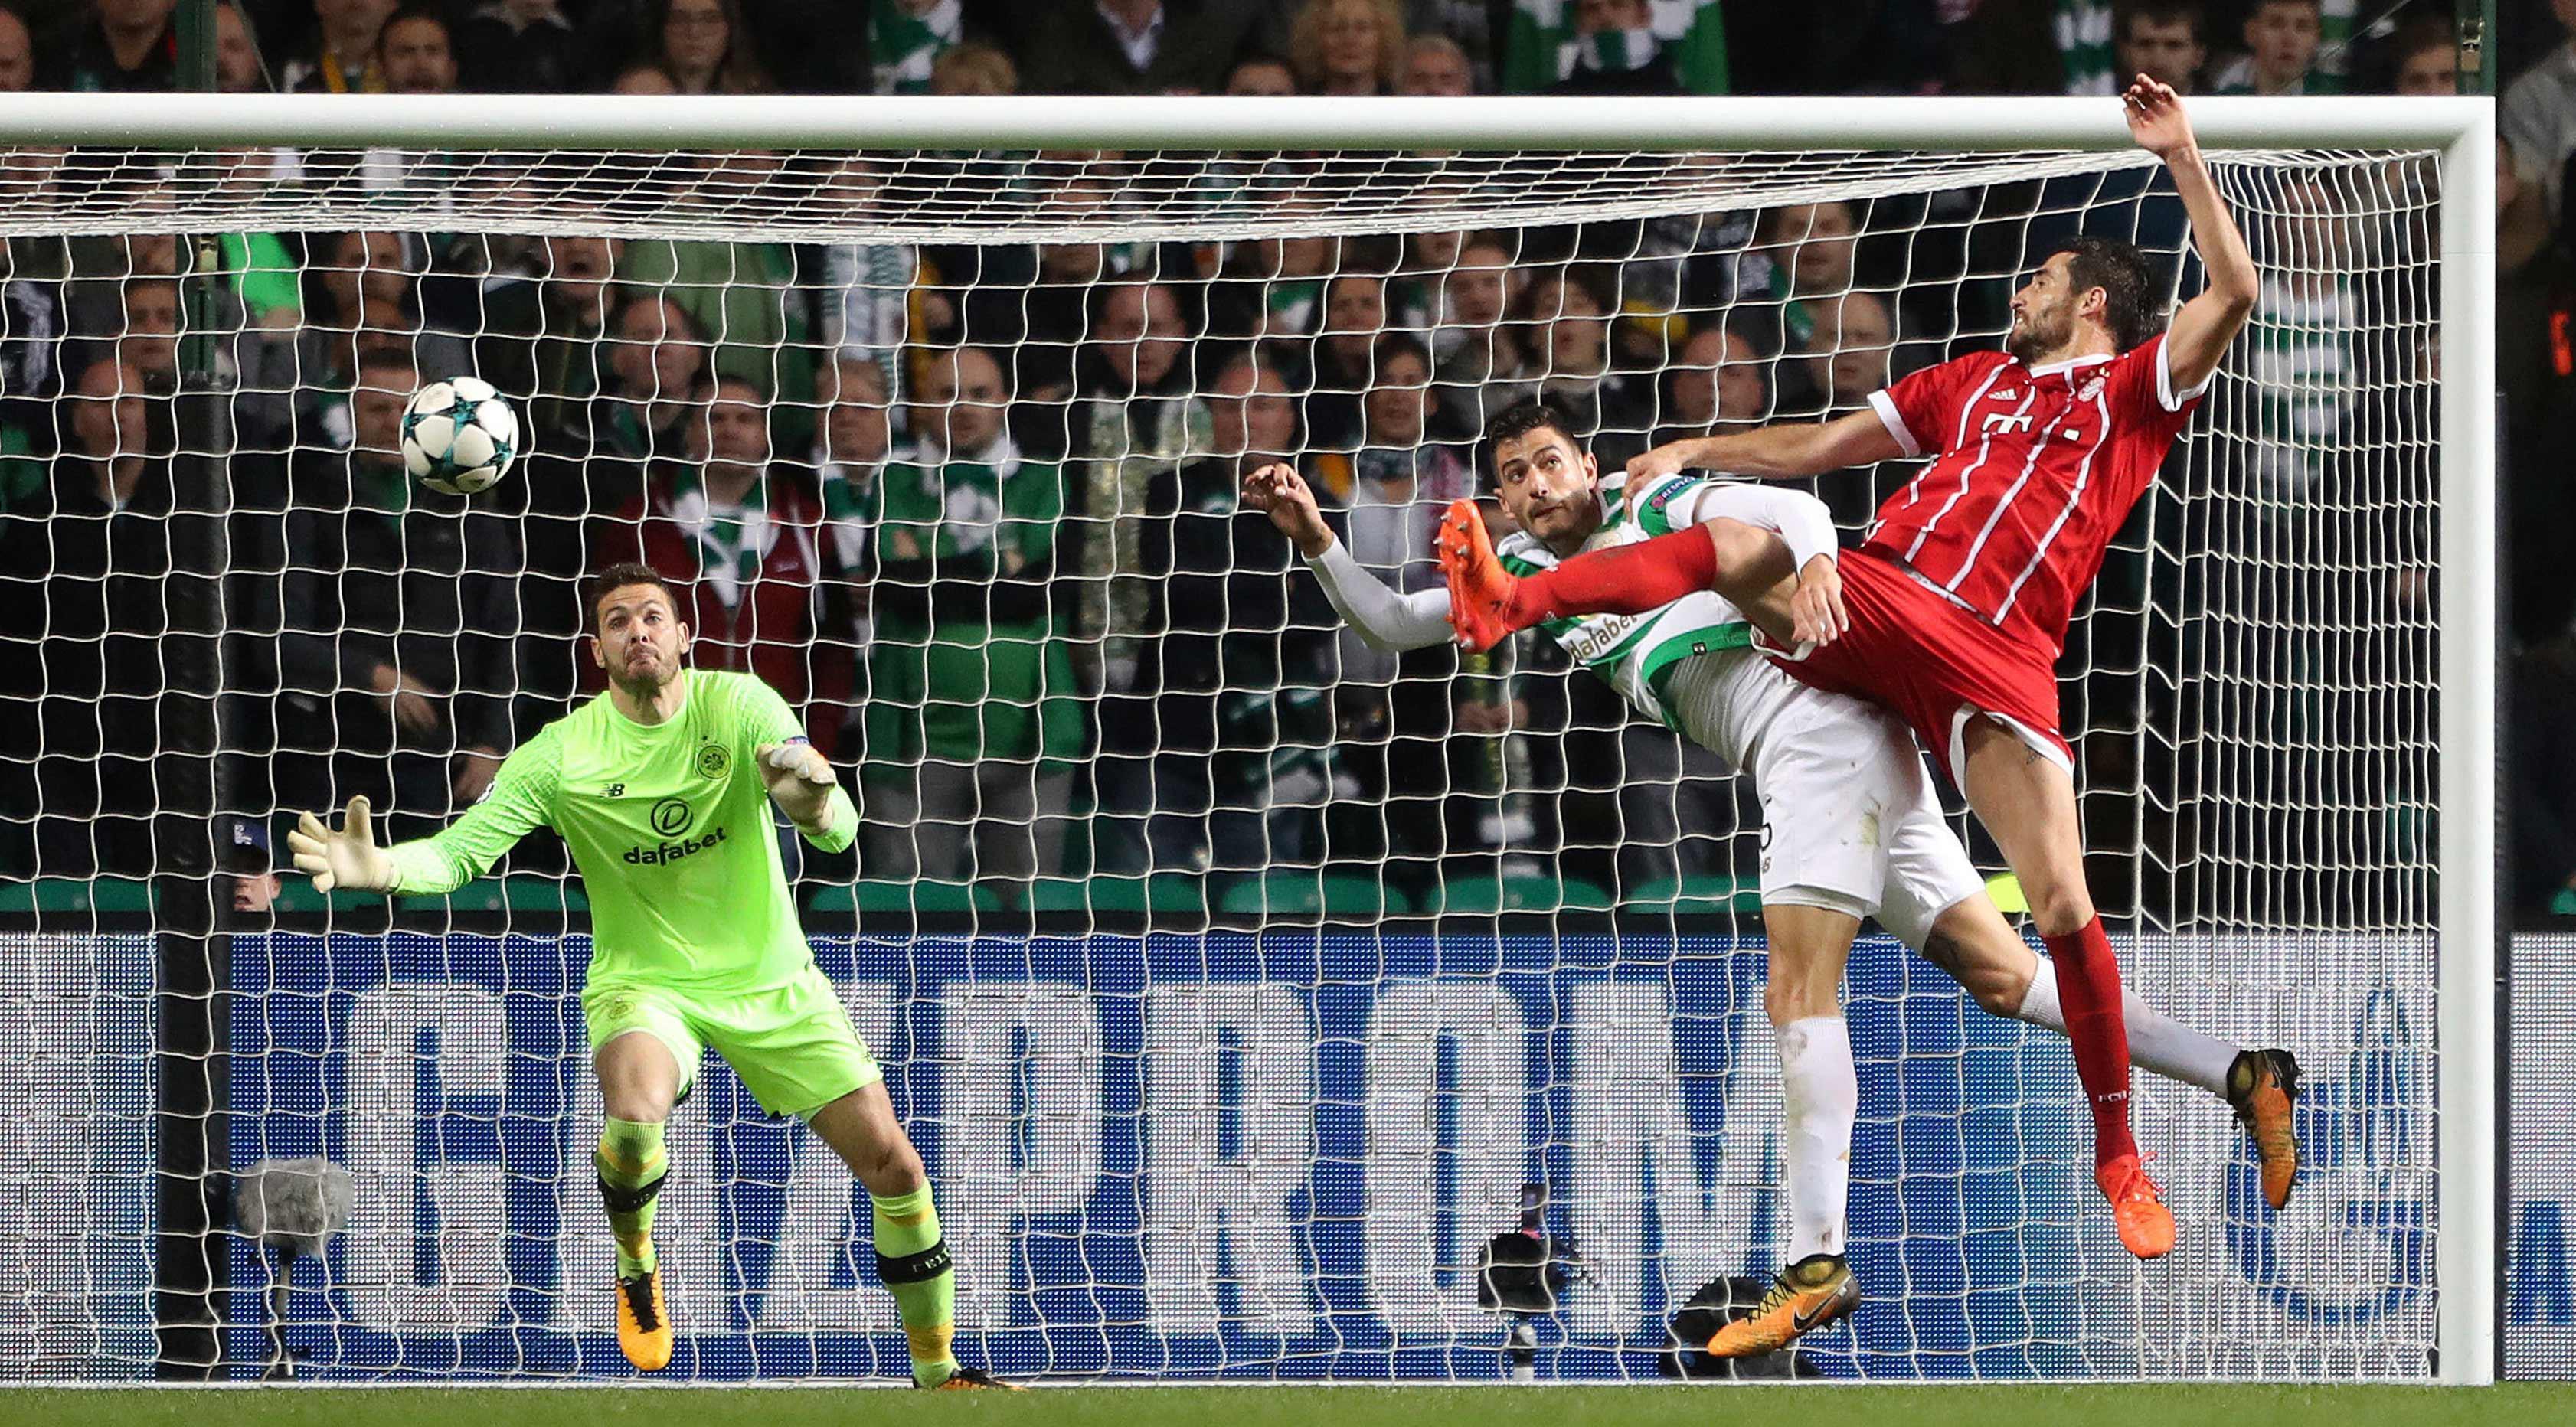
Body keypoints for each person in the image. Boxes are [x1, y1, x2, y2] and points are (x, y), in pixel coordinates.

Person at [1247, 400, 2298, 1357]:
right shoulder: (1524, 582)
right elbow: (1390, 623)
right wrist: (1320, 542)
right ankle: (2243, 1073)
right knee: (2003, 978)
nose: (1533, 486)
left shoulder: (1654, 497)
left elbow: (1791, 515)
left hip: (1814, 736)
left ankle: (1816, 1265)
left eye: (1549, 462)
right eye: (1513, 476)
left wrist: (1824, 560)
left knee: (1798, 994)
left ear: (1591, 463)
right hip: (1851, 746)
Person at [1438, 78, 2268, 1262]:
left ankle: (2129, 1152)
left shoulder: (2134, 390)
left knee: (2061, 910)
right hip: (1890, 604)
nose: (2016, 292)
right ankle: (1515, 597)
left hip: (2003, 656)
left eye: (2037, 279)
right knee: (1733, 550)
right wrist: (1698, 443)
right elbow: (1820, 449)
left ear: (2091, 302)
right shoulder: (1966, 382)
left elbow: (2233, 290)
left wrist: (2180, 151)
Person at [285, 562, 1015, 1391]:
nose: (639, 630)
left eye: (654, 616)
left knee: (897, 1168)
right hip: (646, 982)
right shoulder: (561, 753)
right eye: (619, 620)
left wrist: (808, 802)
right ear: (597, 649)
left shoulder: (739, 704)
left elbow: (839, 831)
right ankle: (638, 1264)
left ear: (682, 634)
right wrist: (381, 865)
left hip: (773, 981)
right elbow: (459, 852)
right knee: (634, 1116)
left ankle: (939, 1374)